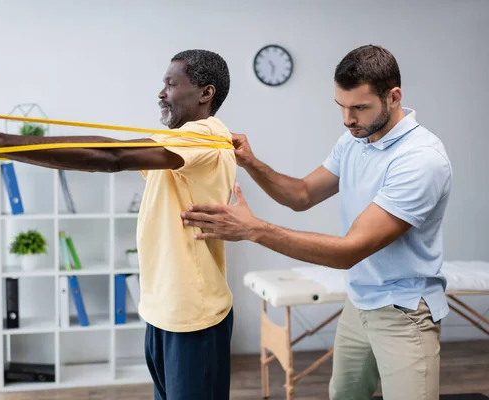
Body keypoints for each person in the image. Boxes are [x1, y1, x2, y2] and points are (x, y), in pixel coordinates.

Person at [0, 49, 236, 400]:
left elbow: (113, 157)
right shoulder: (185, 144)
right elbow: (110, 154)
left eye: (171, 84)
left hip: (193, 314)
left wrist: (0, 142)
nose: (161, 93)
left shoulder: (206, 136)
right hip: (166, 311)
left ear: (206, 93)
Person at [181, 45, 452, 400]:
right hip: (360, 303)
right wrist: (252, 163)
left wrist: (254, 229)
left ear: (394, 97)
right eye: (341, 106)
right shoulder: (355, 139)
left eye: (359, 107)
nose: (347, 118)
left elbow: (349, 252)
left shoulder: (420, 161)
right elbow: (303, 194)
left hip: (404, 311)